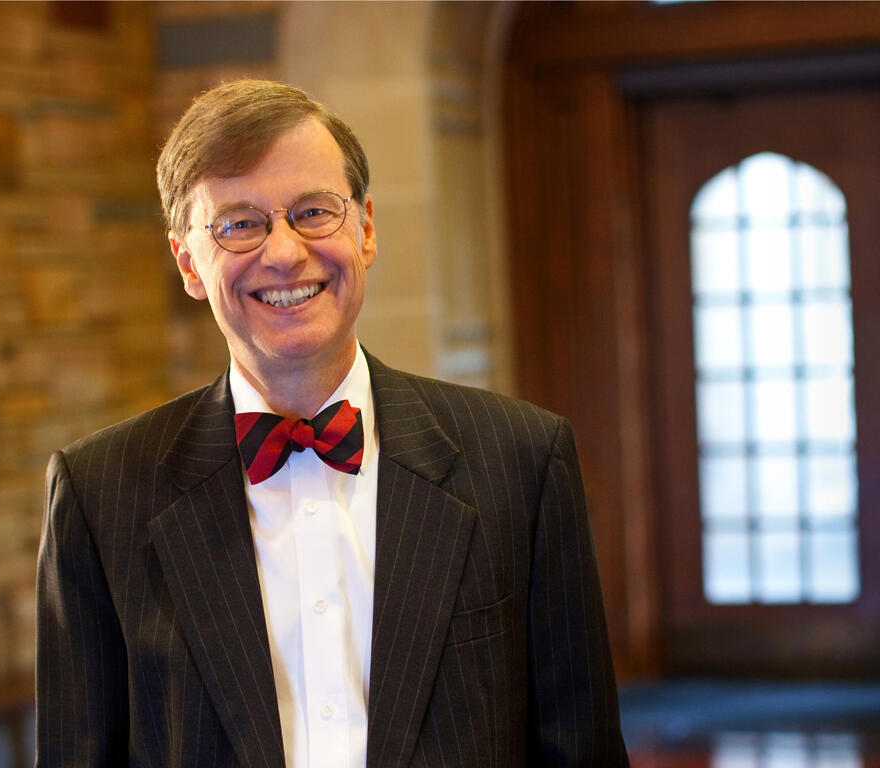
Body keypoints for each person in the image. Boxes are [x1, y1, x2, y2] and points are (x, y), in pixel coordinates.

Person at [35, 79, 629, 768]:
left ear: (366, 229)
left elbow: (580, 749)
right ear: (189, 263)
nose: (284, 252)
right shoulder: (97, 493)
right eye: (239, 222)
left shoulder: (523, 461)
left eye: (314, 211)